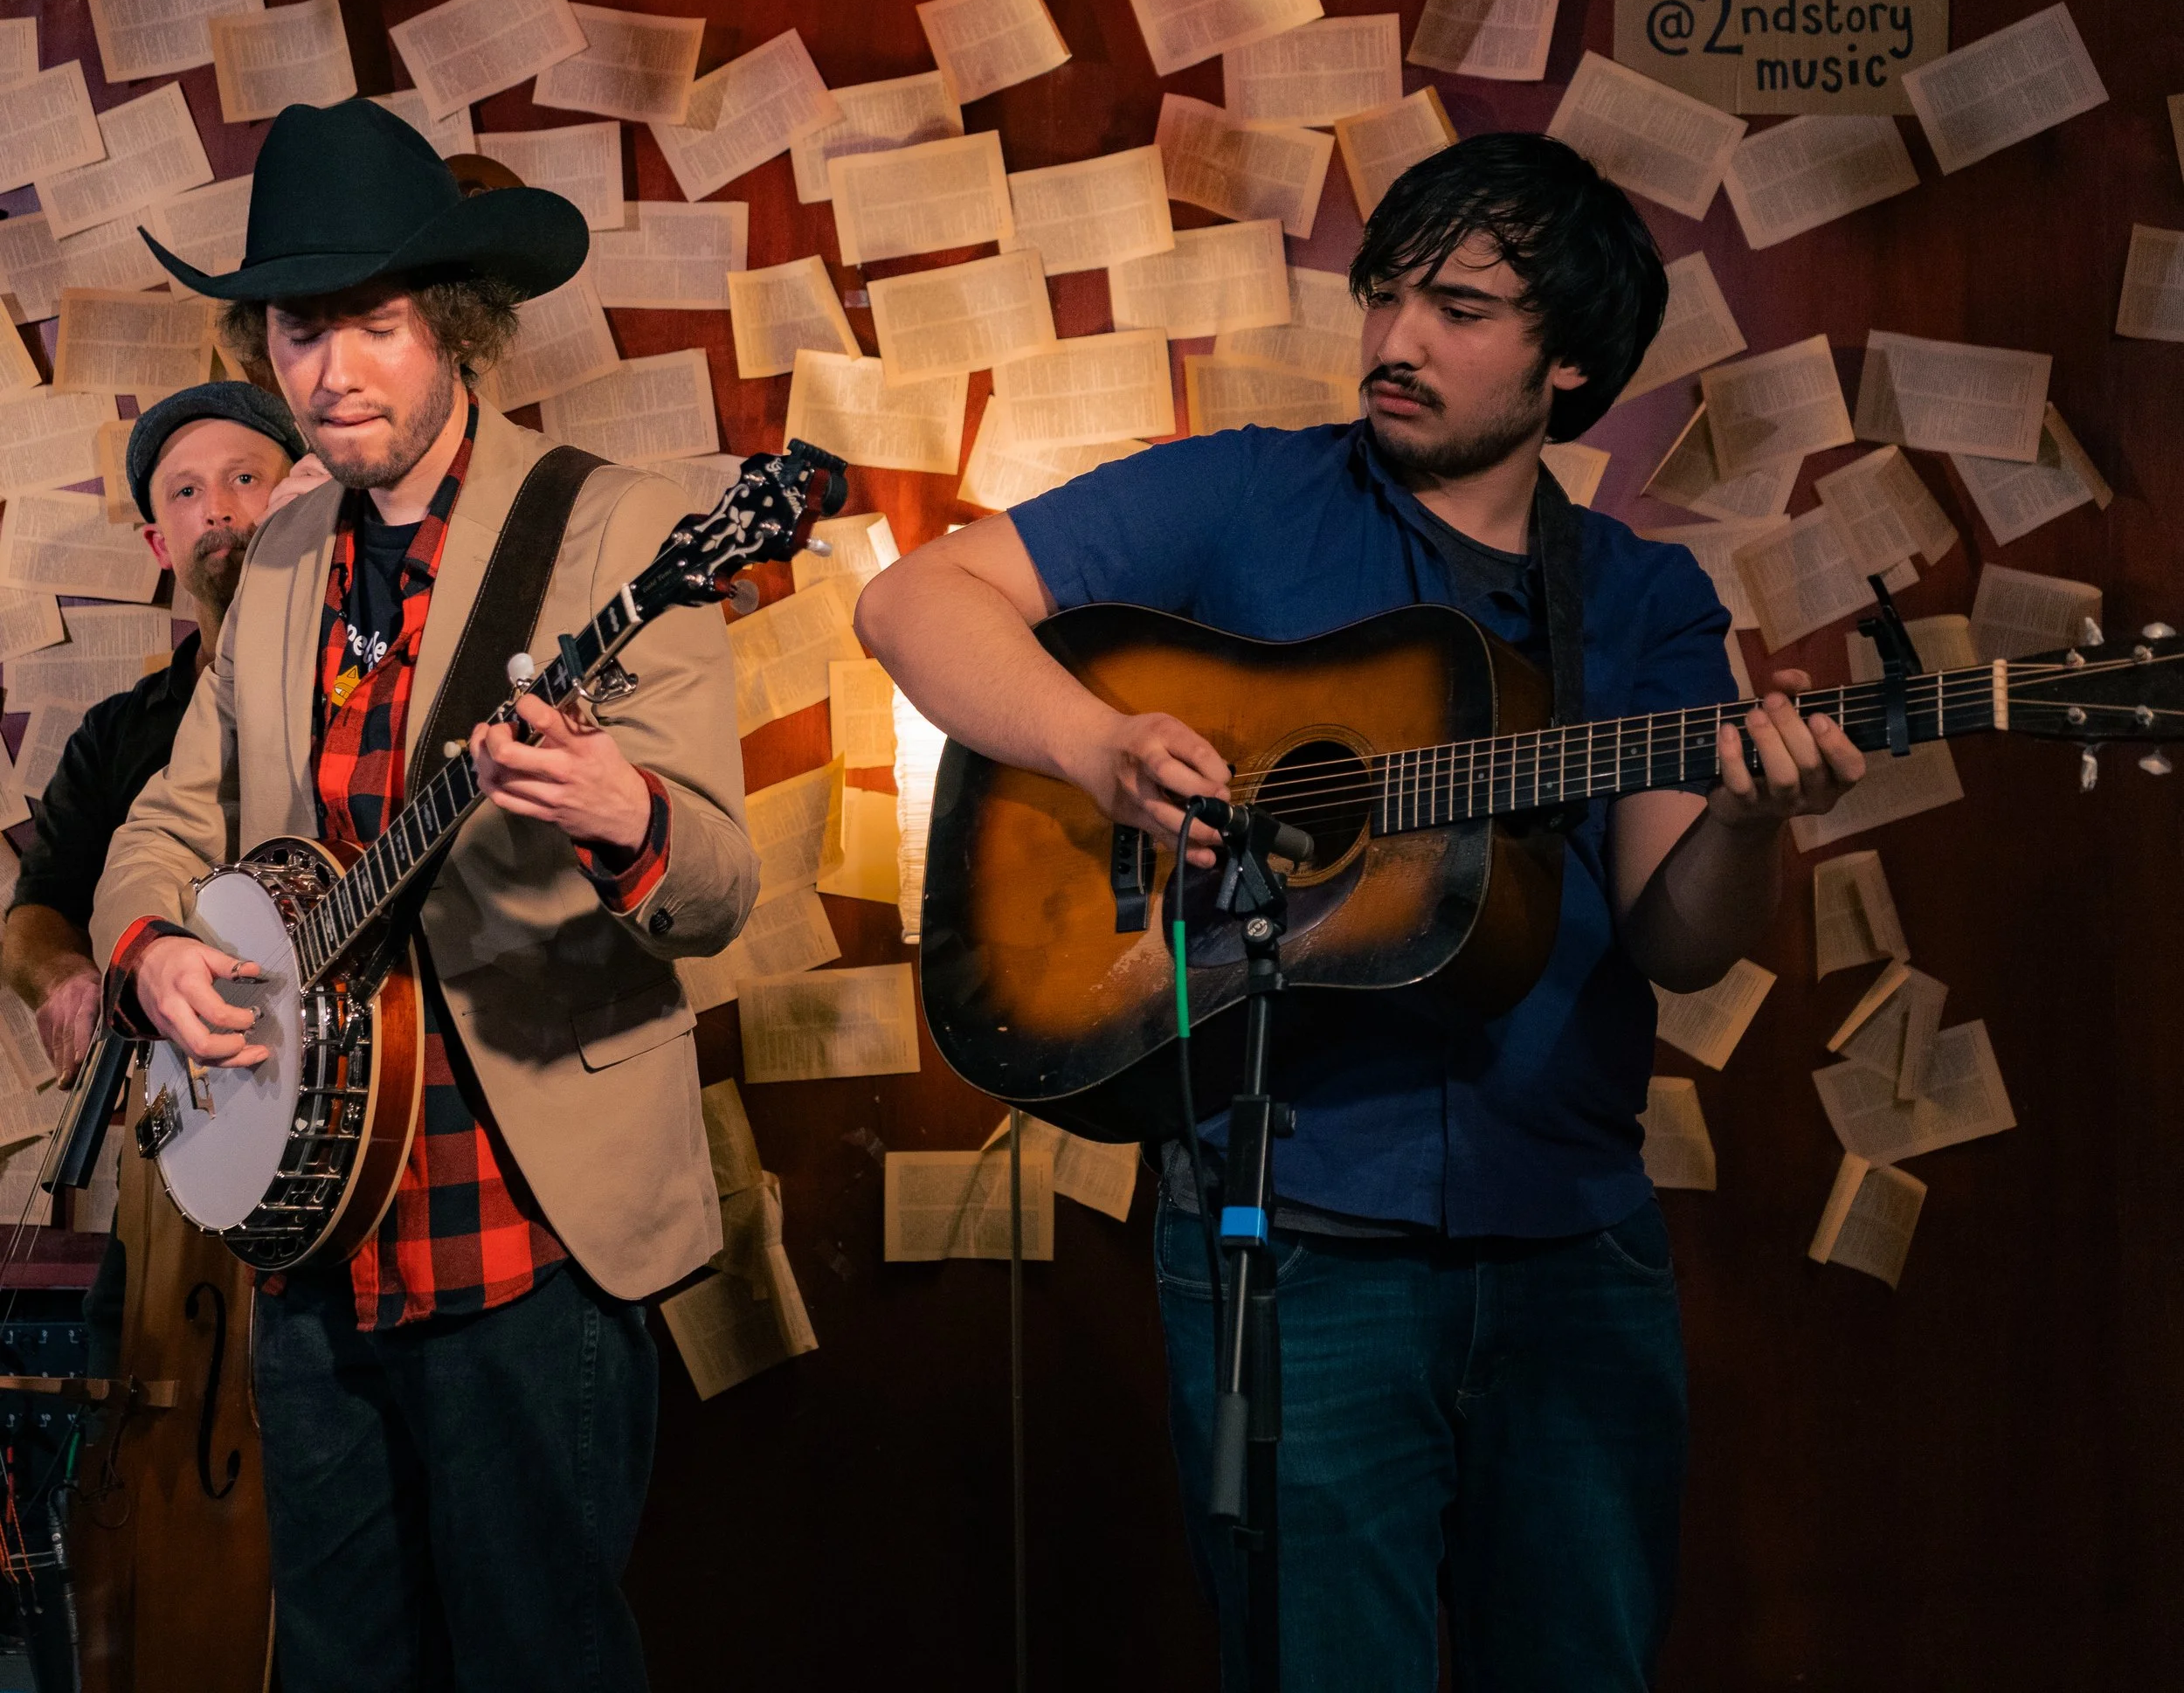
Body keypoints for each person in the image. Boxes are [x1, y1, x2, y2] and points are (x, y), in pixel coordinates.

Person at [857, 132, 1866, 1691]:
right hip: (1298, 1244)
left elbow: (1678, 939)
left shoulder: (1644, 600)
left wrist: (1748, 818)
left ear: (1573, 366)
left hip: (1571, 1245)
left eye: (1460, 309)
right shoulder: (1251, 493)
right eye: (1386, 294)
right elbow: (911, 601)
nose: (1395, 340)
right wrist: (1101, 745)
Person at [91, 98, 758, 1689]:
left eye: (373, 326)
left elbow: (720, 883)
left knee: (541, 1657)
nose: (332, 372)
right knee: (340, 1661)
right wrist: (149, 955)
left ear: (450, 322)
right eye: (299, 330)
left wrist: (624, 805)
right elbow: (164, 818)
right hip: (309, 1217)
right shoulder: (275, 556)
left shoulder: (617, 528)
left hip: (522, 1217)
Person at [0, 381, 317, 1374]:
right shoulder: (118, 732)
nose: (217, 508)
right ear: (156, 541)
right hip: (178, 1128)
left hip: (327, 1108)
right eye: (185, 492)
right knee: (138, 1380)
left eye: (243, 478)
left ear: (301, 496)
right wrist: (68, 978)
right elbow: (34, 913)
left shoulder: (357, 689)